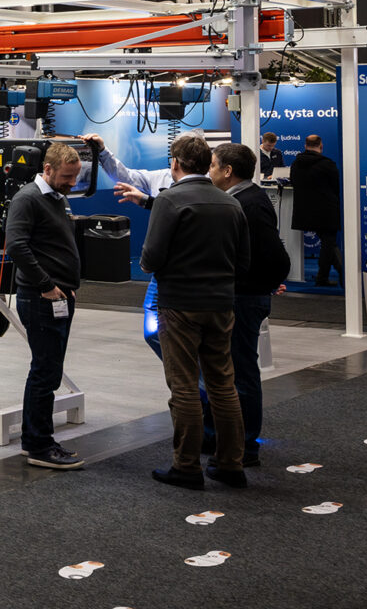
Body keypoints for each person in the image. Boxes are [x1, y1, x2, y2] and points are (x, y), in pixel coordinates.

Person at [139, 135, 250, 490]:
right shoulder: (231, 203)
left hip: (180, 305)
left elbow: (150, 258)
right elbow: (244, 262)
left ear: (175, 163)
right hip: (221, 305)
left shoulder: (169, 200)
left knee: (184, 386)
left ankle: (186, 466)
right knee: (223, 385)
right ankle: (231, 463)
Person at [203, 143, 289, 468]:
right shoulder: (240, 200)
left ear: (227, 171)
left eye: (212, 166)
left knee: (241, 372)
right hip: (239, 296)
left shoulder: (248, 203)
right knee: (227, 370)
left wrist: (259, 285)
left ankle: (246, 444)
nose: (208, 171)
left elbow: (275, 257)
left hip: (242, 299)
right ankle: (221, 437)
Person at [4, 142, 86, 470]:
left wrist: (66, 286)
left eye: (75, 177)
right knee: (45, 372)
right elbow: (17, 246)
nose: (72, 183)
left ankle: (35, 440)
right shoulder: (28, 199)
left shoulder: (56, 197)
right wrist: (48, 285)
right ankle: (38, 444)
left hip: (59, 295)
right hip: (40, 298)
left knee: (48, 371)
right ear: (48, 169)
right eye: (67, 176)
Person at [85, 131, 190, 361]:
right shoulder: (161, 178)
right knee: (154, 332)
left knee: (194, 335)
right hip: (163, 273)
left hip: (194, 271)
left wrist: (147, 201)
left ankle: (199, 386)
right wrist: (102, 152)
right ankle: (196, 384)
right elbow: (125, 176)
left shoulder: (210, 186)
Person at [289, 135, 343, 287]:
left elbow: (293, 183)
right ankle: (325, 277)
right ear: (321, 146)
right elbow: (337, 187)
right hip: (327, 211)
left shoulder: (296, 164)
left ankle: (338, 273)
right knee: (329, 243)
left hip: (305, 211)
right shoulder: (328, 164)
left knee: (329, 244)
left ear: (305, 146)